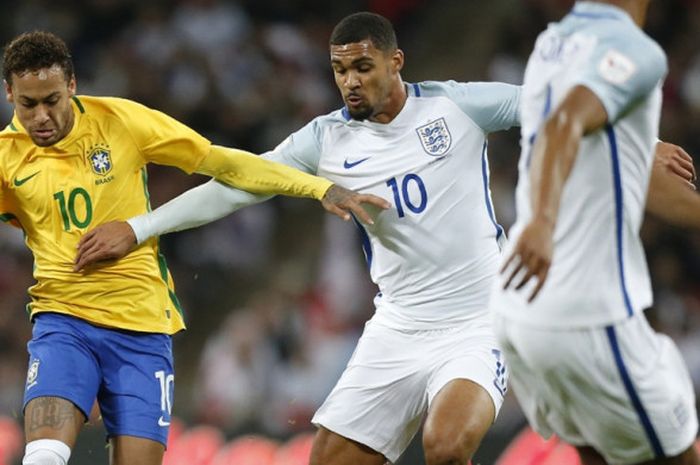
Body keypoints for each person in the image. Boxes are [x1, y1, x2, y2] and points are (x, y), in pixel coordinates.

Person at [73, 10, 697, 465]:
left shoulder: (457, 108)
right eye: (340, 69)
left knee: (447, 445)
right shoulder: (323, 141)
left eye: (363, 67)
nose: (350, 82)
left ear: (396, 62)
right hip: (396, 328)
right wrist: (139, 226)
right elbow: (239, 183)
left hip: (482, 319)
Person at [0, 31, 387, 465]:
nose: (42, 117)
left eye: (52, 100)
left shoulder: (122, 123)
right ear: (9, 93)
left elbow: (226, 164)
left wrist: (316, 187)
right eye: (28, 104)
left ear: (72, 86)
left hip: (142, 330)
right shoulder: (6, 158)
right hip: (64, 324)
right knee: (44, 456)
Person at [488, 1, 700, 465]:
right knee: (681, 455)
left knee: (604, 456)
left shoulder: (553, 42)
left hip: (517, 305)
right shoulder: (632, 48)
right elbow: (564, 123)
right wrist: (543, 224)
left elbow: (625, 172)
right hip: (582, 310)